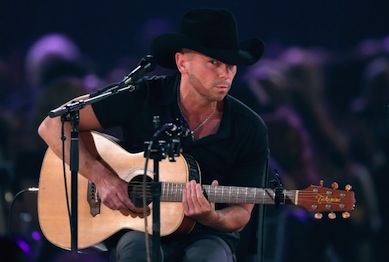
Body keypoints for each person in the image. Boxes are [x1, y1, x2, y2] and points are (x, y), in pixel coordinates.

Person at [38, 8, 268, 262]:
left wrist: (211, 217)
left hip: (208, 235)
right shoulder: (144, 94)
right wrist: (102, 178)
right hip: (137, 226)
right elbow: (53, 124)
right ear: (182, 63)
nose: (225, 74)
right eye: (214, 62)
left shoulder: (249, 127)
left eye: (231, 65)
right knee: (138, 253)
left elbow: (242, 214)